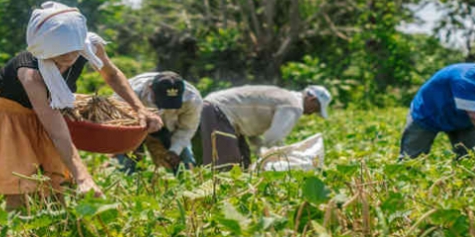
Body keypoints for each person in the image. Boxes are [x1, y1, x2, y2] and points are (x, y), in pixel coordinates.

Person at [0, 1, 163, 210]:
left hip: (43, 107)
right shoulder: (30, 74)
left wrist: (139, 108)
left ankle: (58, 231)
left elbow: (112, 74)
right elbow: (56, 130)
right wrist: (83, 178)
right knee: (22, 185)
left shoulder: (90, 47)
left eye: (73, 50)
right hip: (5, 112)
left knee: (55, 183)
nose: (70, 57)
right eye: (61, 54)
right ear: (43, 50)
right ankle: (14, 234)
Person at [400, 51, 475, 160]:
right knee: (411, 160)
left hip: (464, 120)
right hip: (429, 115)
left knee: (469, 160)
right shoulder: (466, 78)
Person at [201, 85, 331, 169]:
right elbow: (273, 138)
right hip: (218, 111)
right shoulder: (294, 105)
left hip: (217, 110)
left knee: (244, 163)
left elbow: (253, 131)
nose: (312, 113)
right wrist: (282, 159)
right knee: (227, 165)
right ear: (312, 99)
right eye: (316, 109)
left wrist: (260, 151)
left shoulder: (286, 97)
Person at [114, 71, 203, 174]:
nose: (165, 107)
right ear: (150, 88)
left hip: (169, 127)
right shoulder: (129, 93)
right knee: (127, 162)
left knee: (185, 163)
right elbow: (117, 122)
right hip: (134, 126)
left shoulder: (192, 100)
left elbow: (187, 128)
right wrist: (127, 143)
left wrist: (174, 150)